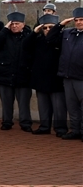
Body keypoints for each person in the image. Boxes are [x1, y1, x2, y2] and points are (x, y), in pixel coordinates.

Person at [0, 12, 33, 131]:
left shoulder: (28, 35)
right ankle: (7, 122)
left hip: (23, 73)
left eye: (17, 24)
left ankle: (25, 123)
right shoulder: (4, 35)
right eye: (12, 24)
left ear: (23, 24)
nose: (14, 26)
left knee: (24, 102)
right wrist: (5, 29)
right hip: (6, 72)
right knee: (6, 101)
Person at [27, 14, 66, 136]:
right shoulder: (38, 41)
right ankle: (44, 126)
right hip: (40, 78)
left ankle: (60, 128)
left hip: (56, 79)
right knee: (43, 106)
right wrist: (34, 33)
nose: (48, 30)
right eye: (45, 28)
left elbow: (52, 39)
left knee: (59, 107)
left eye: (51, 27)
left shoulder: (61, 40)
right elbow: (25, 46)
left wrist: (57, 30)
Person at [53, 8, 83, 140]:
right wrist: (60, 25)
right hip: (67, 76)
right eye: (76, 20)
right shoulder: (67, 33)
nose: (78, 23)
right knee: (72, 107)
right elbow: (51, 39)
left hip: (81, 77)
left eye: (81, 20)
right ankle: (75, 130)